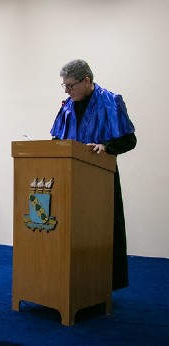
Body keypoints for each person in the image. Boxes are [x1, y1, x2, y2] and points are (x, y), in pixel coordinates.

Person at [50, 59, 136, 291]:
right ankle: (70, 283)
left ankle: (102, 286)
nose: (67, 91)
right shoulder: (67, 105)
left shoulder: (111, 101)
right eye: (64, 87)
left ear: (86, 80)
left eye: (71, 86)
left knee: (103, 232)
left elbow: (130, 139)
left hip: (100, 180)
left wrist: (106, 147)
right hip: (70, 180)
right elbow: (57, 139)